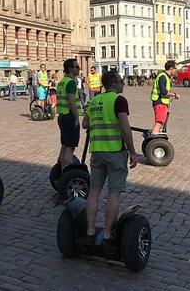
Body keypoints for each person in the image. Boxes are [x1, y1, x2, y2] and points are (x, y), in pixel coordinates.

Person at [81, 71, 137, 248]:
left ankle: (90, 231)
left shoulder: (95, 101)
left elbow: (85, 125)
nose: (123, 84)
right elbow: (125, 128)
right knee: (114, 193)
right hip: (115, 152)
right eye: (121, 81)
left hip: (97, 152)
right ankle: (106, 234)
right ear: (114, 84)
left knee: (94, 192)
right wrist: (133, 152)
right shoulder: (119, 101)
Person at [56, 58, 82, 171]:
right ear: (70, 69)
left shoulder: (62, 82)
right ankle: (68, 171)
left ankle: (62, 169)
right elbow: (71, 101)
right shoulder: (71, 82)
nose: (79, 68)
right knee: (70, 147)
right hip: (69, 116)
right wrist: (76, 118)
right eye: (77, 67)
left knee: (64, 145)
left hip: (62, 116)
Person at [150, 60, 180, 135]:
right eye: (175, 69)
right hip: (160, 102)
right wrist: (174, 94)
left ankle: (155, 139)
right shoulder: (163, 77)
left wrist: (173, 95)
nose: (176, 71)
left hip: (163, 102)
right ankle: (154, 141)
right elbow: (164, 92)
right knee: (159, 123)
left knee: (160, 123)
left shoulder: (166, 77)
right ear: (171, 68)